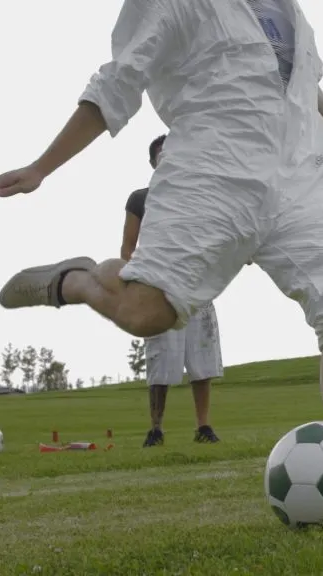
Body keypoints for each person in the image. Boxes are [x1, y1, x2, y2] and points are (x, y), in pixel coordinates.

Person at [0, 0, 323, 506]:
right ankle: (77, 279)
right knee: (146, 312)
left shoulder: (289, 9)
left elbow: (288, 73)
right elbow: (119, 80)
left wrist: (321, 110)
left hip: (304, 176)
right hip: (215, 167)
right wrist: (43, 166)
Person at [124, 134, 223, 446]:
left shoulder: (200, 195)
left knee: (202, 359)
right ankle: (156, 428)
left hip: (196, 287)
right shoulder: (140, 198)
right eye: (161, 154)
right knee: (161, 360)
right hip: (158, 289)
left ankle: (203, 427)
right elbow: (128, 247)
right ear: (153, 162)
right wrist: (137, 281)